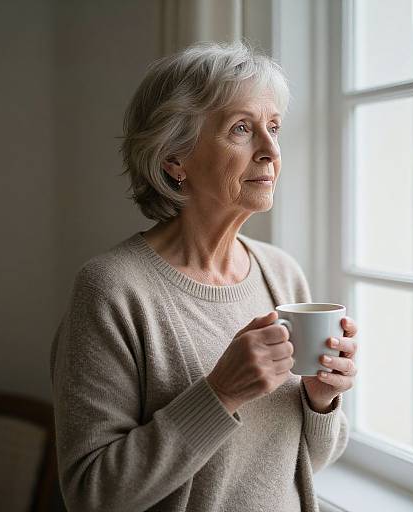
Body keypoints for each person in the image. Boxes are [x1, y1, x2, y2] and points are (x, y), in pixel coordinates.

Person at [50, 40, 358, 512]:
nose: (271, 150)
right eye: (241, 129)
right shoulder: (112, 289)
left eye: (273, 127)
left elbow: (303, 462)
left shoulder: (282, 274)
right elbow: (92, 494)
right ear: (175, 158)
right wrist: (221, 392)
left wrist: (322, 401)